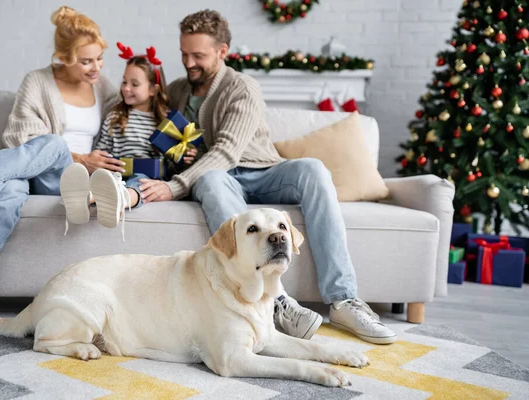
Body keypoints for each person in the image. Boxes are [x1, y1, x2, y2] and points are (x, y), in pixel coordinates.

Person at [137, 10, 397, 344]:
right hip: (222, 180)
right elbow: (150, 119)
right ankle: (278, 304)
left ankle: (344, 299)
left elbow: (228, 151)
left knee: (313, 169)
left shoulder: (242, 87)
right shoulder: (177, 91)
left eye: (198, 55)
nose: (190, 63)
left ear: (222, 51)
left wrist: (174, 186)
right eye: (184, 54)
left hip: (263, 171)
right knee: (212, 180)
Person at [0, 6, 121, 332]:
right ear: (63, 57)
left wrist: (86, 162)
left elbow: (126, 124)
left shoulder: (103, 87)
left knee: (56, 145)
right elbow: (18, 139)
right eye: (86, 61)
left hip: (72, 181)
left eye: (99, 58)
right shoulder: (37, 81)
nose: (96, 68)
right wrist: (78, 155)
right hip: (29, 173)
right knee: (10, 192)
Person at [60, 45, 197, 237]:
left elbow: (173, 165)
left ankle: (122, 199)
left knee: (139, 181)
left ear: (153, 90)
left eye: (134, 84)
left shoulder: (166, 122)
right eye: (124, 82)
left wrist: (184, 157)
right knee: (103, 179)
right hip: (116, 173)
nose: (126, 88)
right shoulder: (115, 116)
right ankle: (86, 198)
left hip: (145, 178)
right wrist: (101, 164)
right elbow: (102, 150)